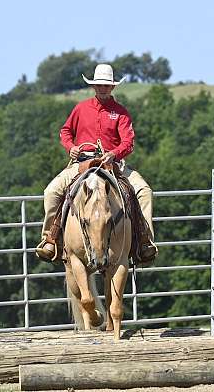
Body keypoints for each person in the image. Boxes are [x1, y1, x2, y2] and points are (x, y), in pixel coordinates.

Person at [35, 63, 157, 263]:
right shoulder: (80, 109)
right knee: (51, 192)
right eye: (99, 84)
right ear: (94, 86)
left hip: (114, 164)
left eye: (106, 85)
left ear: (113, 87)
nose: (103, 88)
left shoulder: (121, 112)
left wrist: (114, 153)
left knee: (144, 191)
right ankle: (51, 238)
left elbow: (128, 142)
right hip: (81, 162)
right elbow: (65, 131)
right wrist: (70, 147)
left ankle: (145, 240)